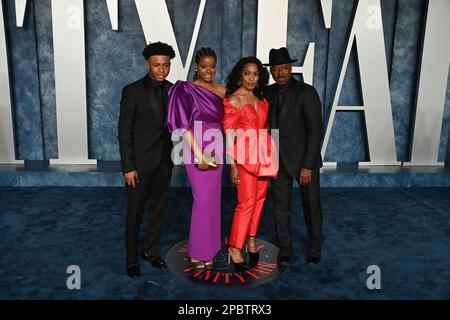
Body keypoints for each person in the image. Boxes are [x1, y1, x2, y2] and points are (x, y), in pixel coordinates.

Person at [118, 41, 175, 278]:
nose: (162, 70)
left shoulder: (173, 90)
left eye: (166, 65)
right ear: (147, 64)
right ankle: (132, 260)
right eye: (157, 65)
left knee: (158, 211)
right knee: (135, 212)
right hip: (139, 165)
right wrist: (128, 167)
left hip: (165, 162)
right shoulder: (132, 91)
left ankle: (151, 252)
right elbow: (124, 132)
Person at [263, 47, 325, 267]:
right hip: (276, 162)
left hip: (303, 161)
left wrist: (308, 165)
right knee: (280, 207)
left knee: (311, 204)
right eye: (276, 69)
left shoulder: (306, 92)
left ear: (291, 68)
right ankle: (285, 247)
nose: (280, 72)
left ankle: (315, 244)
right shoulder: (266, 94)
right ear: (271, 71)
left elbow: (315, 130)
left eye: (285, 68)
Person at [167, 47, 226, 270]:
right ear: (196, 67)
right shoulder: (186, 90)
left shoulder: (222, 90)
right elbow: (183, 126)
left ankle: (210, 249)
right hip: (196, 144)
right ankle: (197, 251)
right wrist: (200, 155)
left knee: (213, 199)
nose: (208, 70)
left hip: (216, 143)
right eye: (204, 66)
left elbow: (229, 119)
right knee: (202, 199)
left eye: (212, 66)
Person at [223, 57, 278, 269]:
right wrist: (233, 165)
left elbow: (265, 127)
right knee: (246, 203)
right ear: (239, 75)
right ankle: (235, 247)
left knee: (260, 198)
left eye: (255, 74)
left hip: (263, 154)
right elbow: (228, 134)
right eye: (247, 73)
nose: (251, 78)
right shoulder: (234, 100)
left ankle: (251, 239)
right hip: (244, 157)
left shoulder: (261, 98)